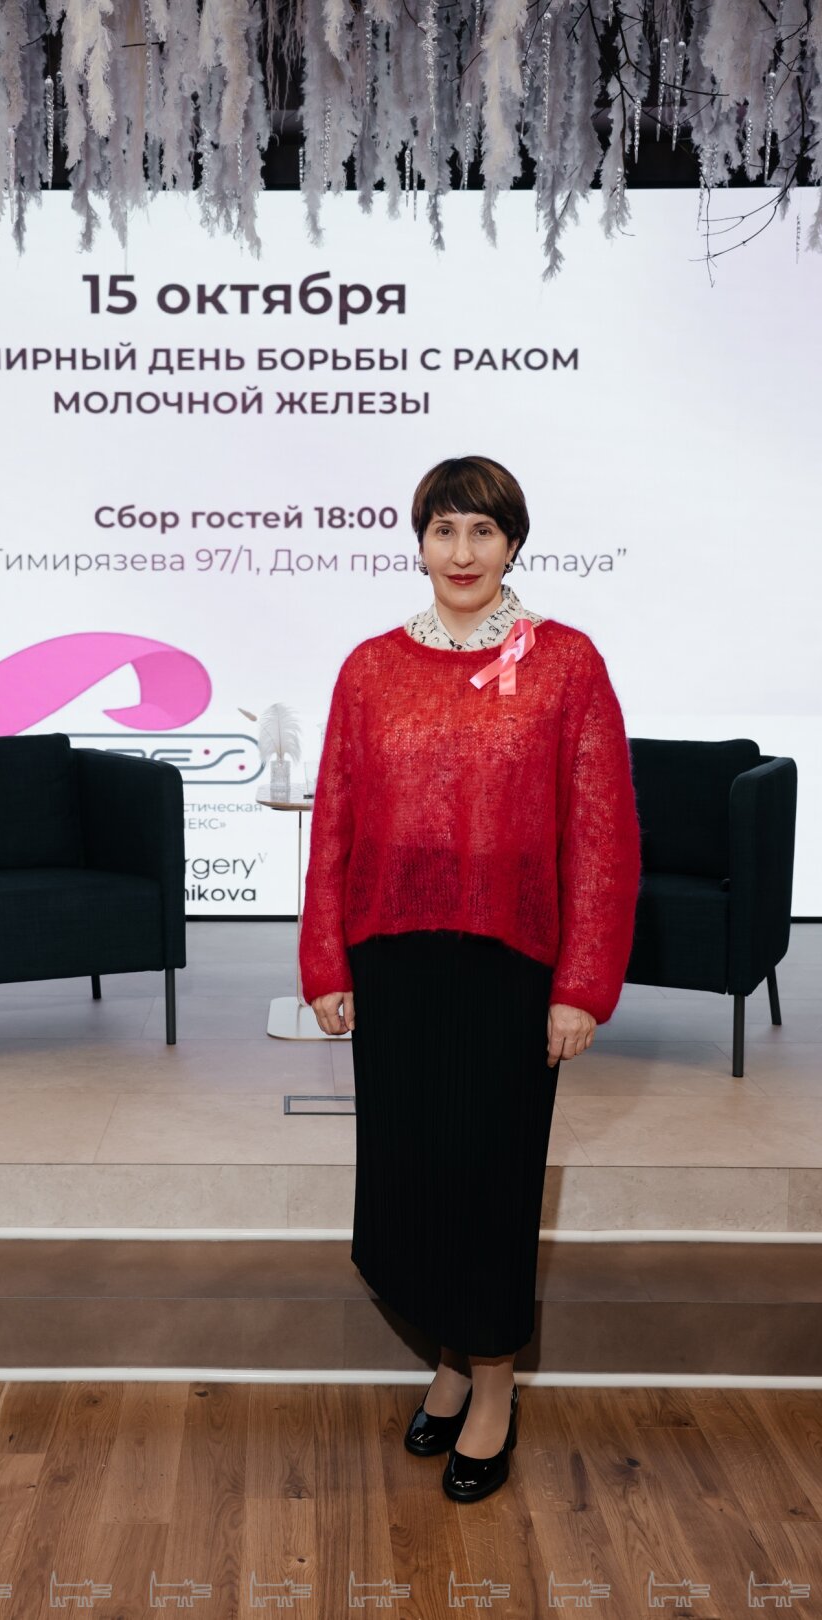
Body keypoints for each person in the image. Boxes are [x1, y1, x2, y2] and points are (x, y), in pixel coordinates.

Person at [298, 454, 641, 1505]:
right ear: (419, 544)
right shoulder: (370, 668)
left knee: (490, 1180)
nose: (462, 552)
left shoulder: (566, 663)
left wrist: (582, 984)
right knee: (412, 1175)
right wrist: (324, 960)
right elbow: (336, 818)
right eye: (444, 530)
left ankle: (492, 1384)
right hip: (394, 957)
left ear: (513, 544)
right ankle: (449, 1360)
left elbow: (603, 832)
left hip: (512, 962)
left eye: (482, 531)